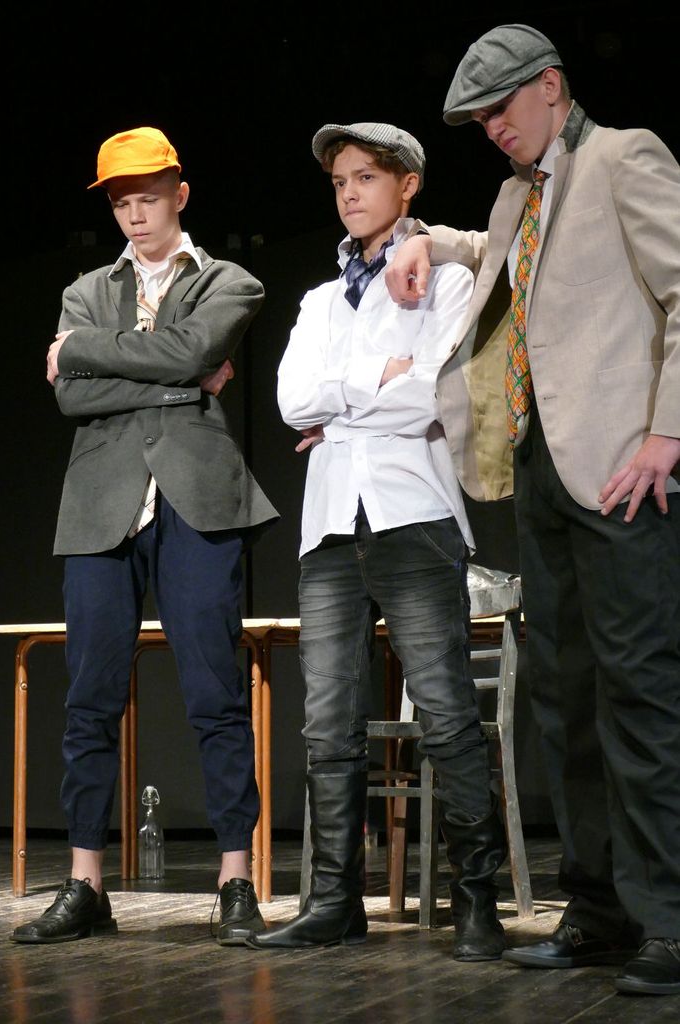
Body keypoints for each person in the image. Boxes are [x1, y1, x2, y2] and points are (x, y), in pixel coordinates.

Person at [386, 24, 680, 997]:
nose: (493, 129)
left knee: (639, 693)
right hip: (543, 469)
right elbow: (503, 257)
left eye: (501, 108)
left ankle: (669, 919)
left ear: (550, 85)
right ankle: (596, 910)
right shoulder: (521, 192)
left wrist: (667, 432)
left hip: (623, 468)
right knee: (564, 697)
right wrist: (427, 238)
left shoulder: (623, 157)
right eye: (480, 120)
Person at [11, 127, 277, 947]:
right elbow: (72, 399)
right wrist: (181, 384)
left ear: (179, 195)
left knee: (214, 693)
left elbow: (194, 346)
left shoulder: (227, 280)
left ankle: (235, 880)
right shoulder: (86, 290)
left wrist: (85, 354)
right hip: (102, 504)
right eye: (121, 201)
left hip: (197, 502)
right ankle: (86, 883)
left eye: (147, 198)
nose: (134, 214)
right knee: (89, 698)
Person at [247, 122, 507, 959]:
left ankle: (476, 902)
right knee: (327, 724)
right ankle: (334, 900)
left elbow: (433, 394)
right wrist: (374, 381)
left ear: (408, 185)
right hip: (330, 526)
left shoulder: (447, 282)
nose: (350, 193)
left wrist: (344, 404)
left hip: (414, 515)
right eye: (339, 182)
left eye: (366, 177)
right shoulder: (319, 303)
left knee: (446, 715)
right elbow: (291, 402)